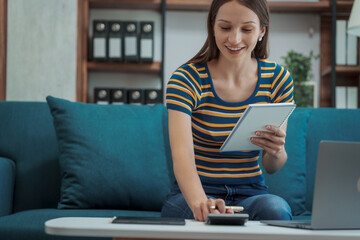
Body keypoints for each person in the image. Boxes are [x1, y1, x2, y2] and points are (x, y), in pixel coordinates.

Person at [161, 0, 294, 222]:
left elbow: (272, 167)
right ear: (212, 26)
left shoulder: (278, 79)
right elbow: (182, 155)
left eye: (247, 29)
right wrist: (200, 203)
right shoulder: (186, 79)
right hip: (195, 192)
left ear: (262, 30)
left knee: (276, 208)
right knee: (200, 216)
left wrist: (276, 151)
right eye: (225, 27)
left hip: (251, 193)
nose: (234, 39)